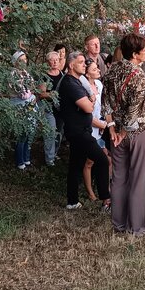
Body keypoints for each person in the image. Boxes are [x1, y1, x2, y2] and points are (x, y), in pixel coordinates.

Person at [102, 33, 145, 235]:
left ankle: (119, 224)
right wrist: (123, 131)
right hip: (139, 131)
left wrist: (112, 128)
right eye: (144, 49)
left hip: (116, 131)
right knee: (141, 178)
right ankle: (137, 227)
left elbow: (105, 102)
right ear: (134, 54)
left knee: (119, 177)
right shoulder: (139, 76)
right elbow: (135, 110)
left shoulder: (112, 70)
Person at [61, 52, 110, 211]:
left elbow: (89, 103)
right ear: (71, 65)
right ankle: (106, 199)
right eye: (80, 62)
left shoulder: (77, 81)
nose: (84, 64)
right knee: (102, 160)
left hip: (81, 130)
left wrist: (91, 99)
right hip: (78, 132)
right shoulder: (70, 83)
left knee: (75, 166)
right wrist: (91, 100)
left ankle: (72, 201)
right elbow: (88, 108)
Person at [80, 56, 109, 203]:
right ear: (87, 73)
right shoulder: (83, 90)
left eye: (97, 68)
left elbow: (105, 105)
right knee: (89, 162)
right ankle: (90, 192)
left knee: (107, 158)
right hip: (92, 129)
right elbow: (88, 114)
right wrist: (102, 125)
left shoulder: (99, 84)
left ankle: (105, 188)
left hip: (103, 127)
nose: (98, 70)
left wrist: (106, 123)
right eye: (94, 69)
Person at [9, 50, 37, 170]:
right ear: (15, 62)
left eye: (25, 59)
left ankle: (26, 158)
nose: (24, 62)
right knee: (22, 133)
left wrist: (31, 90)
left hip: (30, 105)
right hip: (19, 106)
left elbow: (33, 88)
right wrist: (31, 91)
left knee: (30, 133)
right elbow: (23, 94)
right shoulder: (13, 75)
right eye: (20, 60)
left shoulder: (25, 72)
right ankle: (20, 161)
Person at [37, 50, 64, 167]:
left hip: (60, 108)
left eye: (56, 60)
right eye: (52, 60)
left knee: (59, 132)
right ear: (48, 62)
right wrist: (53, 94)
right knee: (50, 132)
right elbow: (41, 94)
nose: (55, 62)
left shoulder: (62, 75)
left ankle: (54, 153)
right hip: (48, 108)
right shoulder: (44, 76)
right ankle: (49, 159)